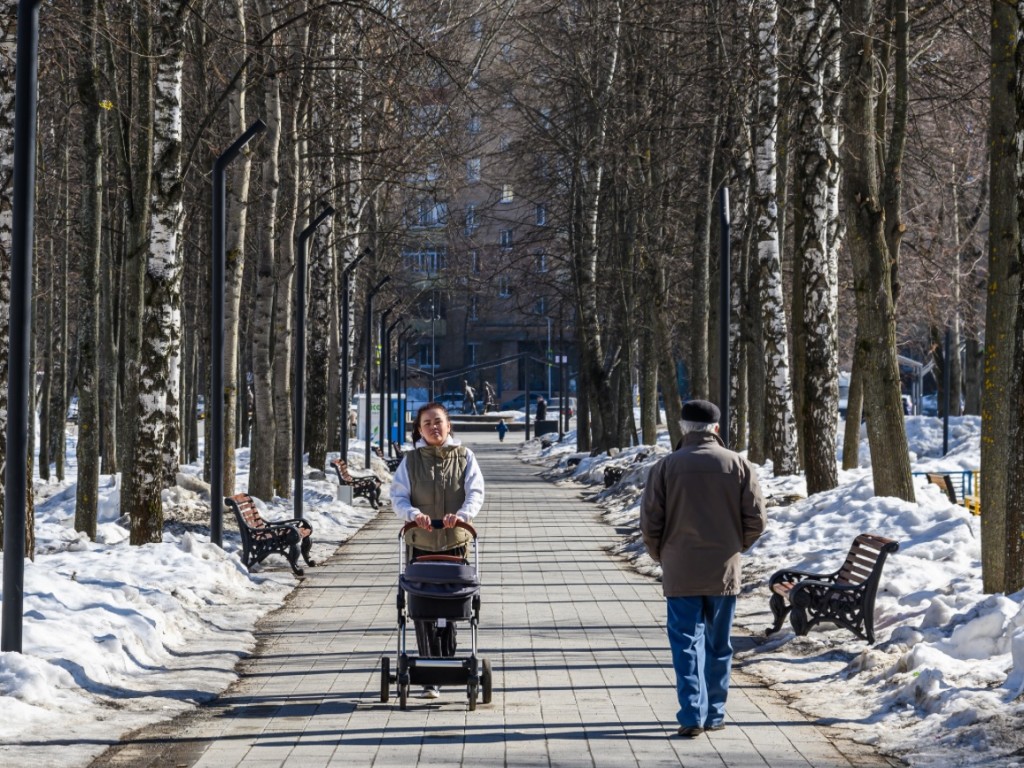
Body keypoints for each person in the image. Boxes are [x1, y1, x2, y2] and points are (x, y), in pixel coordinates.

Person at [639, 399, 767, 738]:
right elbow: (756, 519)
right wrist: (735, 547)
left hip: (680, 568)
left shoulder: (666, 467)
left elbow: (651, 521)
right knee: (719, 644)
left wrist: (661, 555)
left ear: (683, 428)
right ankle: (715, 714)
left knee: (685, 643)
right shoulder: (738, 465)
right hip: (723, 570)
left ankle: (691, 714)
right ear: (716, 428)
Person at [391, 402, 485, 699]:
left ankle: (448, 660)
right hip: (421, 544)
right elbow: (398, 497)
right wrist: (412, 514)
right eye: (427, 423)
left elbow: (475, 491)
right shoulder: (410, 461)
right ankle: (430, 673)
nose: (434, 427)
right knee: (423, 610)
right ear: (418, 430)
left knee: (451, 607)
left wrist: (463, 514)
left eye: (438, 421)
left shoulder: (465, 456)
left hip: (454, 542)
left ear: (448, 425)